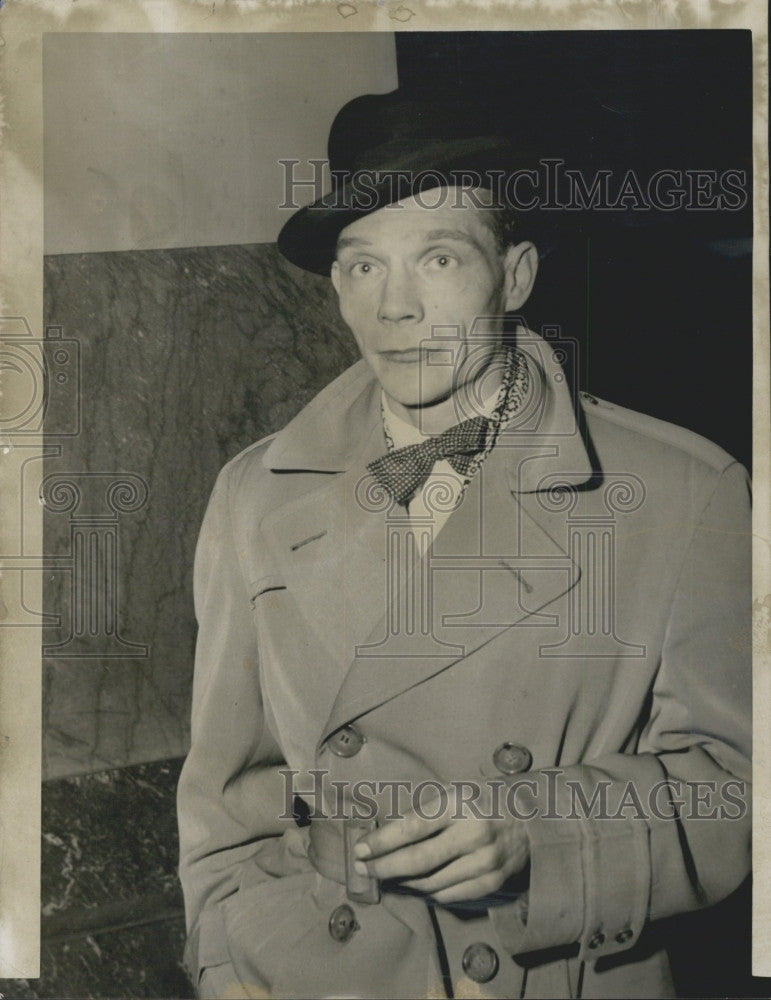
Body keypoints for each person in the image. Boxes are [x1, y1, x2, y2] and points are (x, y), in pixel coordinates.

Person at [177, 88, 751, 999]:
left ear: (514, 276)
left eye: (436, 257)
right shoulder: (255, 493)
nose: (394, 308)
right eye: (362, 267)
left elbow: (738, 788)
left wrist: (540, 834)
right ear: (335, 287)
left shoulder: (681, 492)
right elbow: (223, 793)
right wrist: (224, 955)